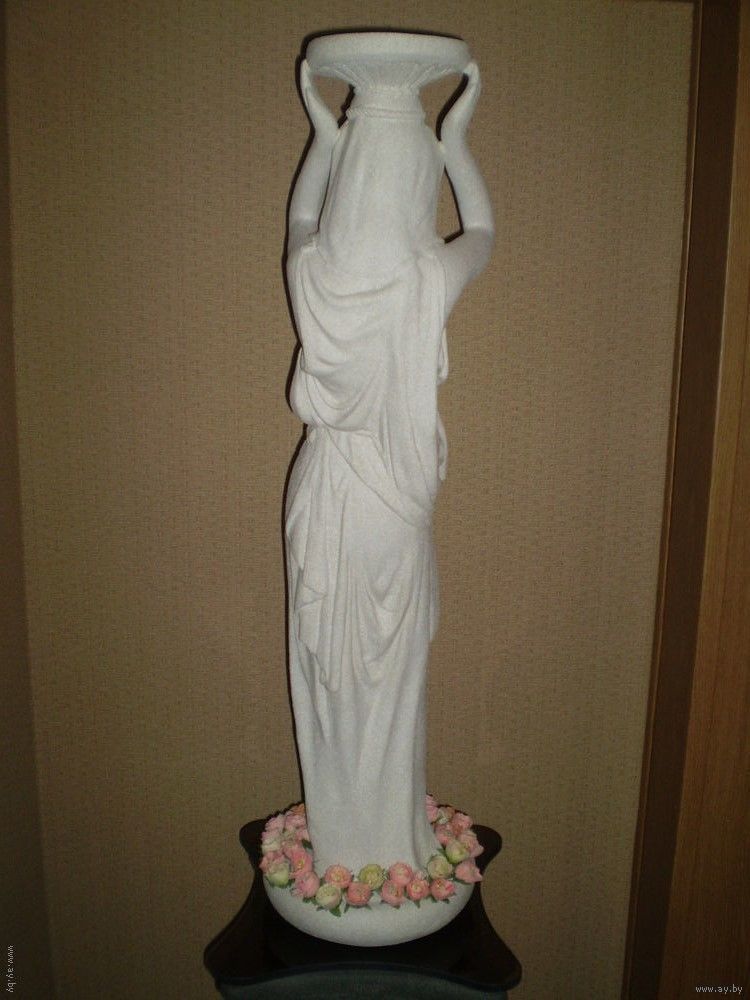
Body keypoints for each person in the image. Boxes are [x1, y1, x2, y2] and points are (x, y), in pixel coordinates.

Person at [282, 58, 494, 876]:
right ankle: (387, 845)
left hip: (328, 495)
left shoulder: (315, 274)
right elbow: (483, 232)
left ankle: (342, 844)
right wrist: (455, 137)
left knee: (330, 681)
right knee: (392, 686)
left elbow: (303, 213)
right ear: (414, 189)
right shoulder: (424, 279)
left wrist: (324, 137)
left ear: (353, 182)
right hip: (390, 516)